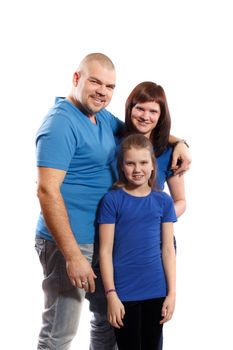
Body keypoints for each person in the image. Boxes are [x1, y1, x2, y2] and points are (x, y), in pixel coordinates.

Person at [35, 52, 190, 350]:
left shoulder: (102, 118)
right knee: (60, 331)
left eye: (109, 87)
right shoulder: (60, 123)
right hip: (70, 243)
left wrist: (181, 142)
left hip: (106, 244)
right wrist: (73, 256)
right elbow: (46, 191)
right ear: (76, 78)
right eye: (95, 82)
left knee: (107, 323)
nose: (102, 92)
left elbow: (145, 131)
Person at [89, 81, 186, 350]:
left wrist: (155, 216)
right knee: (106, 323)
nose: (145, 116)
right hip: (119, 249)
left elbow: (179, 203)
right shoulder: (115, 138)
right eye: (139, 108)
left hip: (154, 250)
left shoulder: (169, 152)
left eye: (153, 111)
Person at [98, 133, 177, 349]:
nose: (137, 169)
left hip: (156, 290)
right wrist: (111, 294)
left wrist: (171, 293)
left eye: (143, 162)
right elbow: (105, 251)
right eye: (130, 163)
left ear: (153, 165)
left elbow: (168, 249)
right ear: (121, 166)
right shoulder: (112, 200)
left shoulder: (163, 201)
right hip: (124, 292)